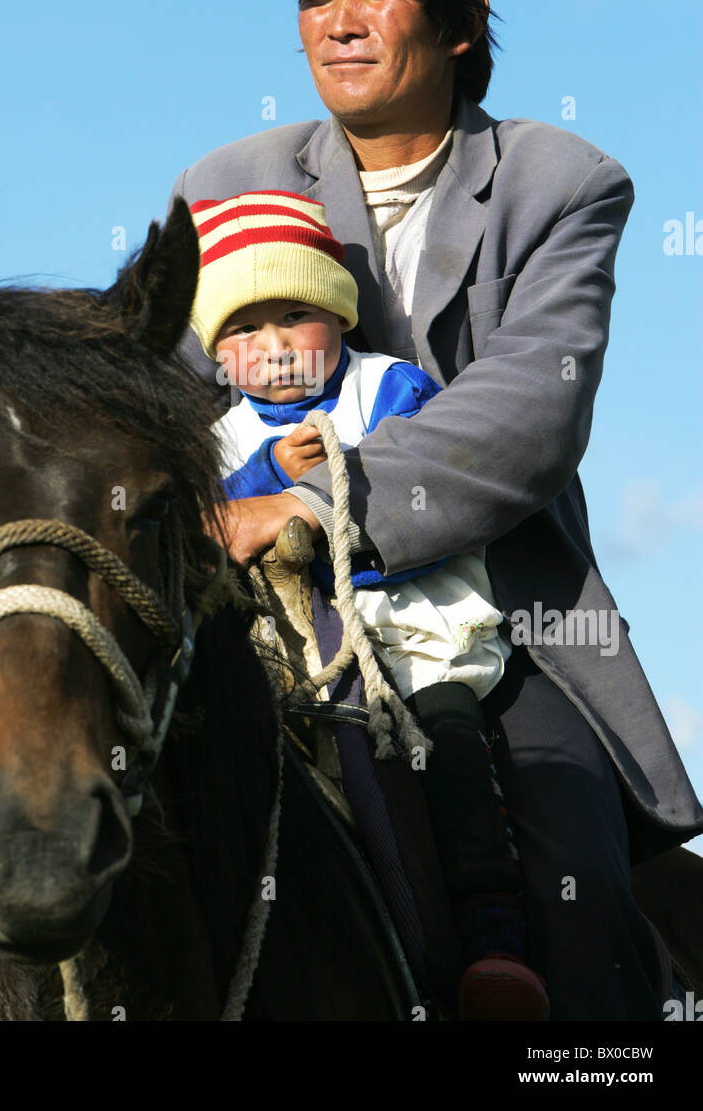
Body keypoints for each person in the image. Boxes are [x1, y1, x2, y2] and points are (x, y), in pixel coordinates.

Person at [168, 0, 703, 1019]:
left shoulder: (561, 180)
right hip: (252, 602)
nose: (339, 15)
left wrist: (322, 507)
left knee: (581, 898)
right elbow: (156, 397)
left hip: (489, 622)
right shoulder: (223, 187)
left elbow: (529, 414)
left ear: (460, 23)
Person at [190, 187, 550, 1018]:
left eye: (295, 317)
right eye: (245, 329)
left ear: (342, 318)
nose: (275, 347)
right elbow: (212, 524)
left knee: (455, 753)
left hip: (413, 637)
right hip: (286, 654)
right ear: (216, 352)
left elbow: (423, 491)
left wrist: (324, 479)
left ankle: (495, 940)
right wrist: (265, 476)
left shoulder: (388, 388)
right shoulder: (220, 437)